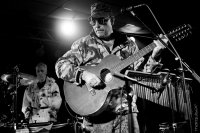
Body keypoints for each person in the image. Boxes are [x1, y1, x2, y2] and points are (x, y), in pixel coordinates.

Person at [55, 2, 168, 133]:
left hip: (126, 111)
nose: (97, 25)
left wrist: (154, 56)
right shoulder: (83, 44)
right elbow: (60, 65)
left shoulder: (129, 44)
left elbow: (141, 75)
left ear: (112, 20)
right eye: (93, 21)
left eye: (102, 20)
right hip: (96, 115)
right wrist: (85, 75)